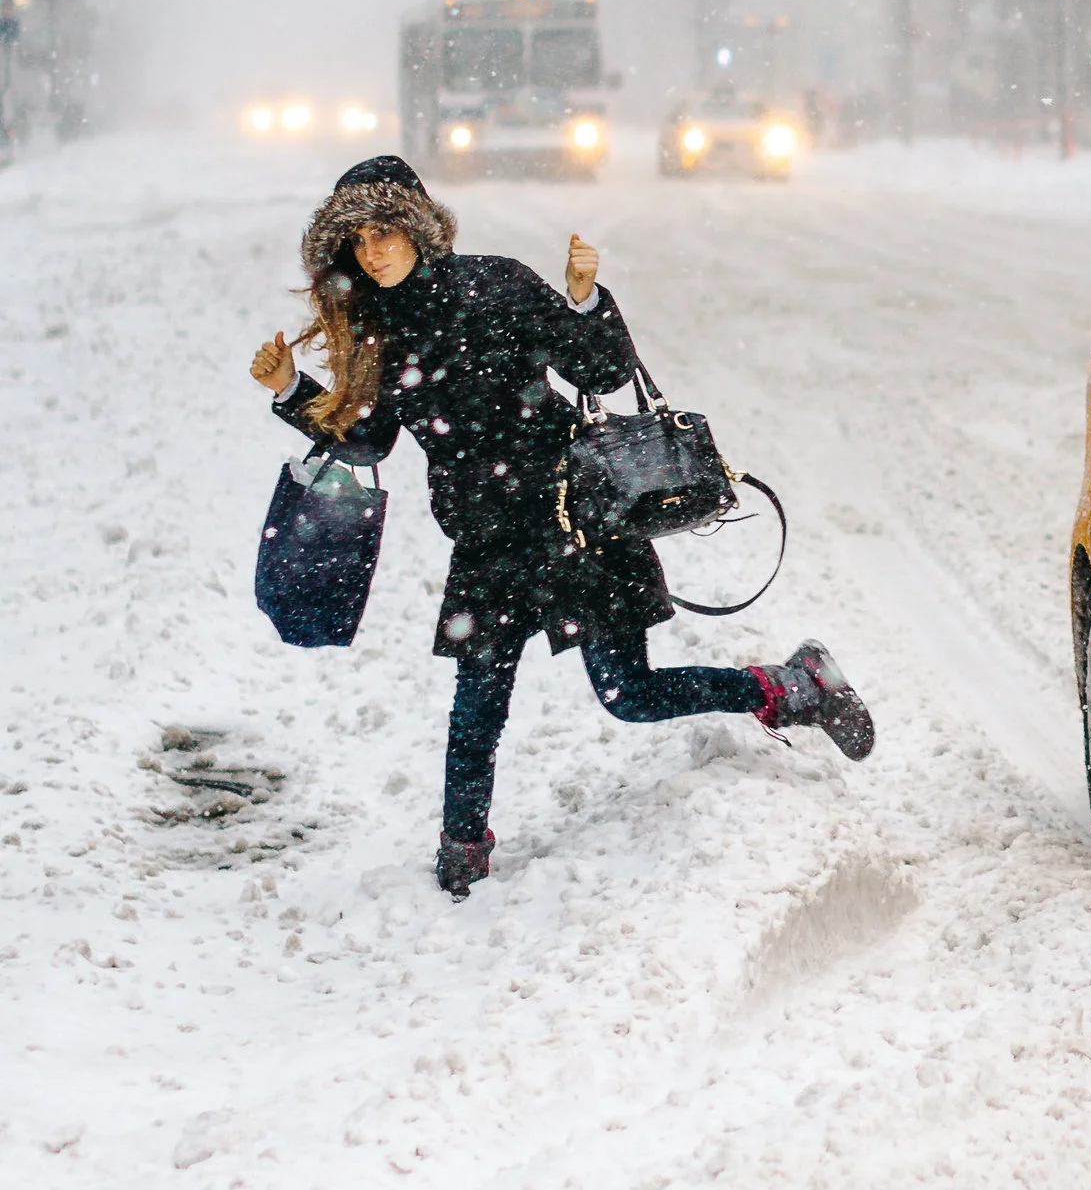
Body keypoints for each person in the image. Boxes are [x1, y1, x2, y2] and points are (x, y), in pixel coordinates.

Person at [250, 152, 873, 896]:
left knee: (629, 693)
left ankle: (792, 686)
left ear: (417, 229)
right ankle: (461, 850)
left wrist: (584, 301)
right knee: (476, 706)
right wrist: (293, 391)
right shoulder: (375, 330)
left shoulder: (496, 284)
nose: (372, 251)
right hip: (486, 543)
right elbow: (370, 440)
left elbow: (602, 372)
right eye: (357, 240)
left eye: (384, 232)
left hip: (573, 522)